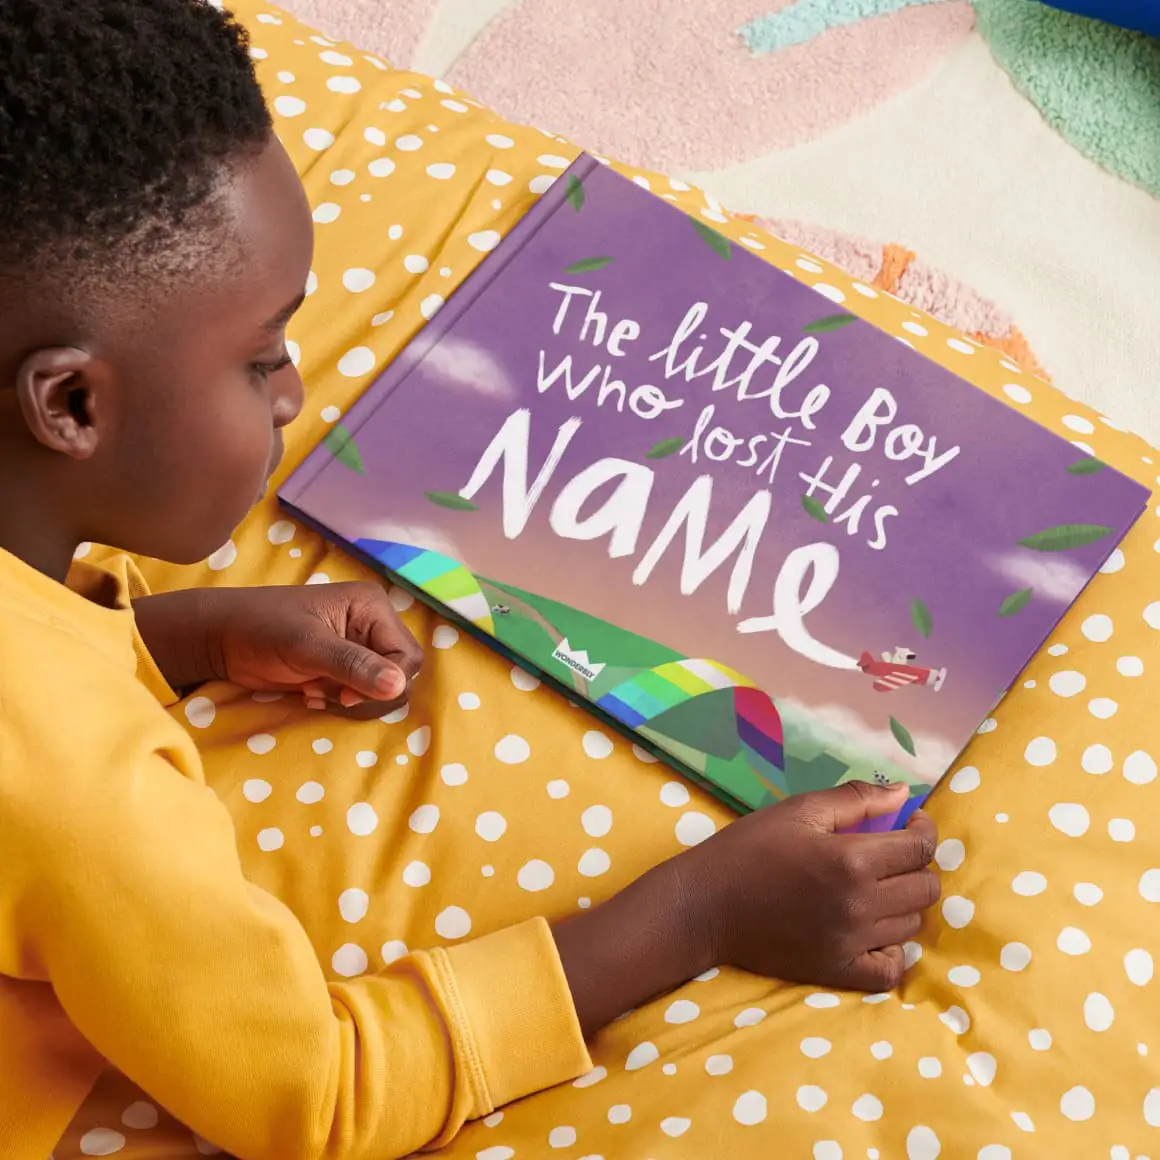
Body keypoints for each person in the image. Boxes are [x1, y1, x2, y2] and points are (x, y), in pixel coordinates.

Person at [0, 2, 941, 1158]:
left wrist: (182, 636)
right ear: (71, 404)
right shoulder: (86, 794)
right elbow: (315, 1092)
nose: (292, 391)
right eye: (258, 358)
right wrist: (701, 909)